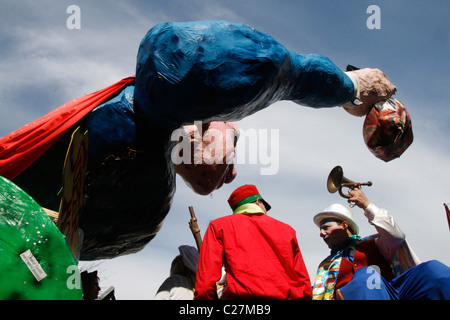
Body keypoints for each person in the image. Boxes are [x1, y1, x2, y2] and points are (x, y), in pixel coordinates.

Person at [0, 21, 398, 261]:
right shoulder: (166, 89)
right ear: (209, 119)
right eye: (235, 143)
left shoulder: (146, 208)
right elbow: (265, 65)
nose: (233, 169)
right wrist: (349, 86)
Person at [312, 187, 450, 300]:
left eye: (325, 228)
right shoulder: (326, 266)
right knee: (365, 276)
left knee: (433, 269)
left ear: (344, 225)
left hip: (391, 295)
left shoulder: (375, 244)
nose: (321, 233)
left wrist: (366, 205)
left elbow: (396, 236)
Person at [194, 184, 312, 300]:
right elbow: (303, 282)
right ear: (257, 201)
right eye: (265, 206)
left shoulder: (219, 226)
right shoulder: (287, 230)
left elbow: (206, 279)